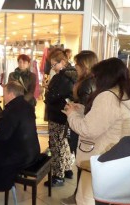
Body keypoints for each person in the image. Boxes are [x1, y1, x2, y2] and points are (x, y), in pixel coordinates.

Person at [63, 57, 130, 205]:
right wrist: (81, 109)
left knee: (88, 197)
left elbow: (87, 129)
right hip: (118, 153)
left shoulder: (107, 96)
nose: (95, 80)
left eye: (97, 76)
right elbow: (108, 118)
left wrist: (71, 115)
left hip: (100, 156)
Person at [0, 81, 40, 192]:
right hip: (33, 151)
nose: (4, 96)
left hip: (22, 157)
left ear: (11, 94)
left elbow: (4, 135)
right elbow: (17, 123)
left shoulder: (11, 109)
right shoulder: (27, 105)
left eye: (5, 93)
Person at [61, 50, 98, 205]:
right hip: (86, 128)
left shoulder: (86, 83)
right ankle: (79, 196)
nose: (74, 66)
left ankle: (78, 198)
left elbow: (85, 110)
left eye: (77, 63)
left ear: (84, 65)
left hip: (81, 128)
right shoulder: (93, 80)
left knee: (81, 162)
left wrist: (72, 109)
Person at [44, 48, 77, 187]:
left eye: (54, 64)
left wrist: (48, 93)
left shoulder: (61, 77)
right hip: (67, 114)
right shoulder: (74, 74)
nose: (53, 68)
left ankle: (58, 176)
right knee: (65, 144)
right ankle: (67, 169)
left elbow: (52, 97)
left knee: (57, 145)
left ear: (62, 62)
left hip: (58, 115)